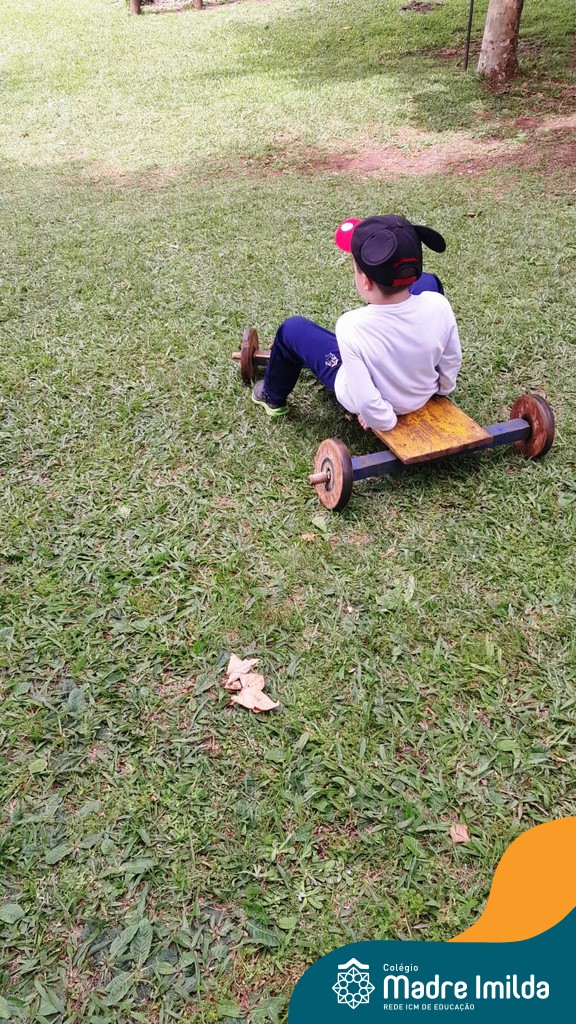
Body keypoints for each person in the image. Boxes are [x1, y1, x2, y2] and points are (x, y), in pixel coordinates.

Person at [251, 214, 462, 432]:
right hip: (423, 392)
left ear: (365, 281)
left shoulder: (351, 326)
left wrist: (383, 418)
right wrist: (443, 388)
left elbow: (366, 399)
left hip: (379, 404)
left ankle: (270, 396)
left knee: (293, 329)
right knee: (430, 281)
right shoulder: (439, 305)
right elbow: (452, 359)